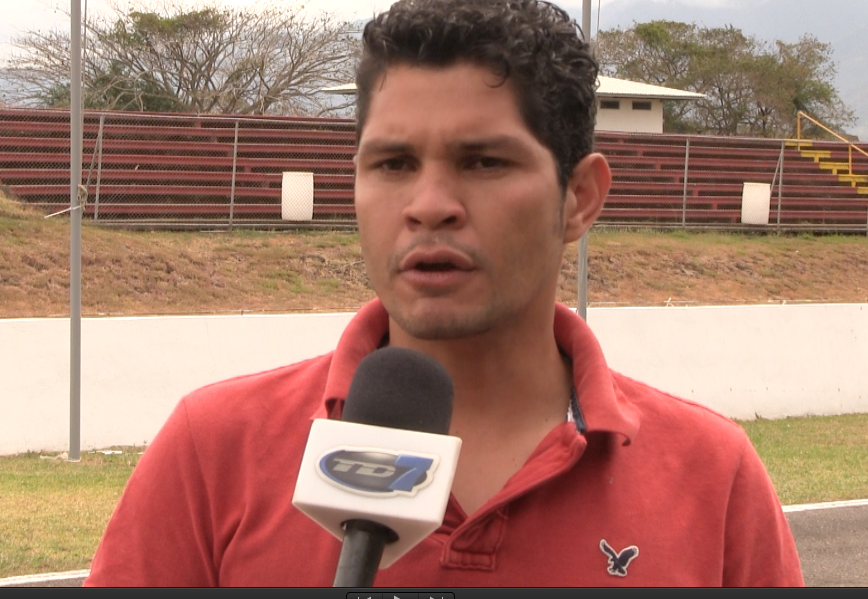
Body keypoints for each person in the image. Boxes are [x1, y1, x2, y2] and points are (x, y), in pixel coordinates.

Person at [85, 0, 803, 587]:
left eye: (484, 162)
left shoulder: (713, 475)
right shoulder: (213, 450)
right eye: (393, 163)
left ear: (579, 197)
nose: (429, 205)